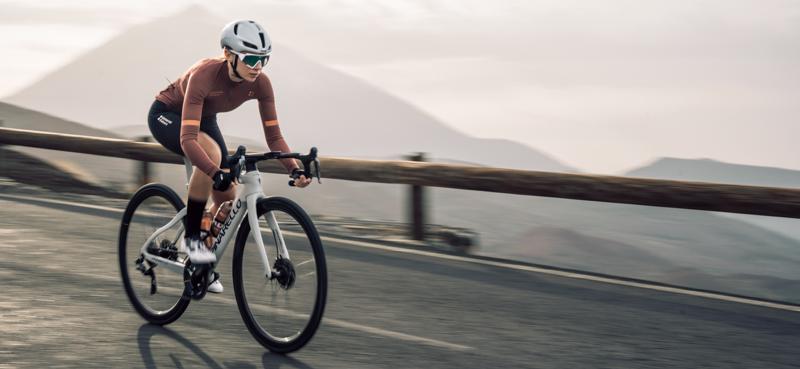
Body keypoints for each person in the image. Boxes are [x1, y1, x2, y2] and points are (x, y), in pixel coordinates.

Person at [147, 20, 311, 293]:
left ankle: (202, 261)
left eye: (263, 59)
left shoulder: (261, 84)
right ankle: (192, 240)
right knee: (211, 158)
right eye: (250, 58)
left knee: (227, 194)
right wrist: (214, 172)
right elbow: (188, 141)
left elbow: (274, 138)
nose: (257, 66)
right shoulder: (204, 75)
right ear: (228, 54)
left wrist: (294, 169)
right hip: (167, 114)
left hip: (205, 117)